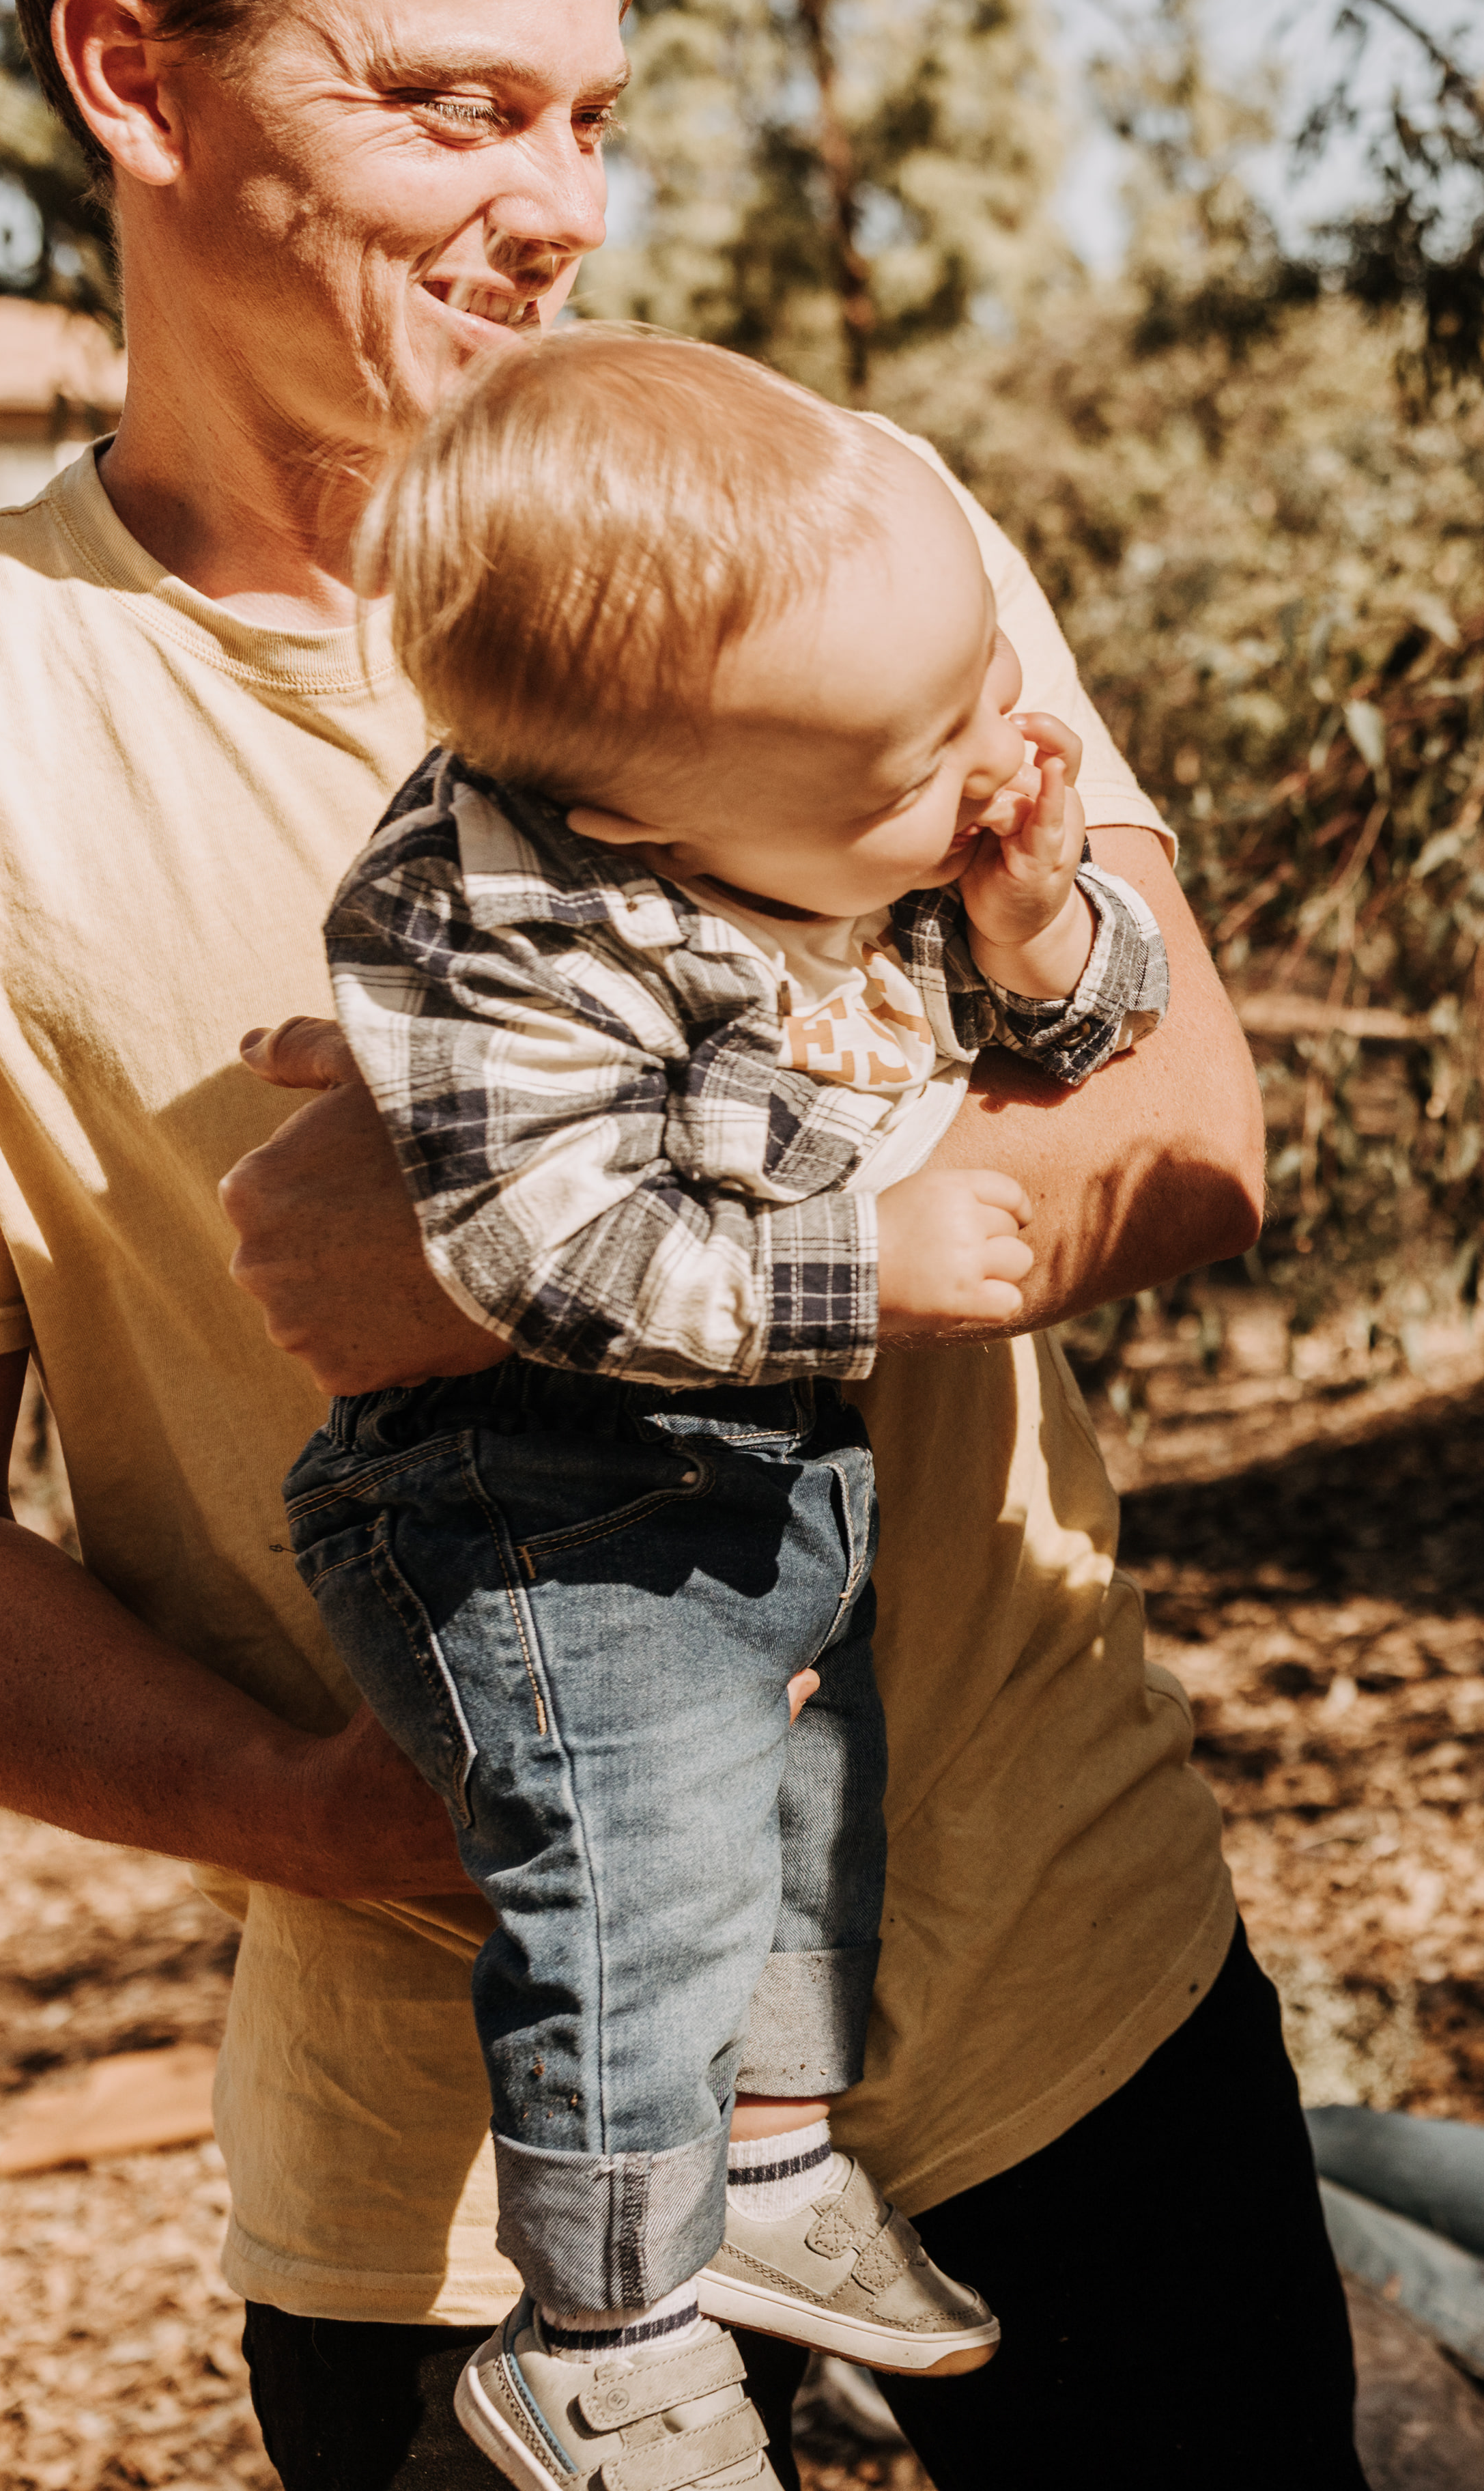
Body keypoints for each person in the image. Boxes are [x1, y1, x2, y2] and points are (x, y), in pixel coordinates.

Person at [0, 5, 1367, 2485]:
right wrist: (304, 1810)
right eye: (450, 107)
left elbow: (1189, 1129)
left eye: (593, 118)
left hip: (1079, 2019)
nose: (560, 207)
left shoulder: (823, 520)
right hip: (448, 2183)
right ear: (134, 78)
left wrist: (509, 1257)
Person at [288, 326, 1188, 2485]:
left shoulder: (830, 809)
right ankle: (597, 2338)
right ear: (631, 815)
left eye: (985, 692)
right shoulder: (491, 925)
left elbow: (1078, 1049)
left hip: (742, 1484)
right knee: (654, 1890)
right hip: (527, 1504)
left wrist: (1039, 914)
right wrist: (856, 1268)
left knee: (808, 1833)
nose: (989, 755)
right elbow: (543, 1257)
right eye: (916, 764)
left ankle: (771, 2179)